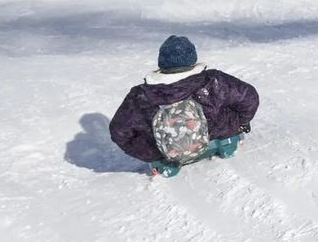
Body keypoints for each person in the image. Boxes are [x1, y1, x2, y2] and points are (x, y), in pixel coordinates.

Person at [109, 36, 261, 167]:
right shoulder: (212, 80)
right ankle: (228, 142)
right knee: (228, 111)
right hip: (215, 134)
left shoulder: (140, 96)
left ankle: (165, 161)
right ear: (192, 58)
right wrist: (242, 122)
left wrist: (152, 152)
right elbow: (249, 97)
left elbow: (119, 132)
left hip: (168, 151)